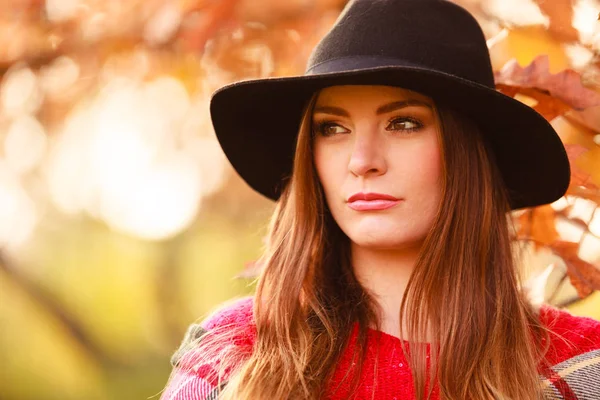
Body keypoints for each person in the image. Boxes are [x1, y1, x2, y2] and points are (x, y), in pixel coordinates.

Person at [159, 0, 600, 399]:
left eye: (404, 124)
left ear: (469, 155)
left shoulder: (580, 366)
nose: (361, 161)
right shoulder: (235, 354)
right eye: (332, 128)